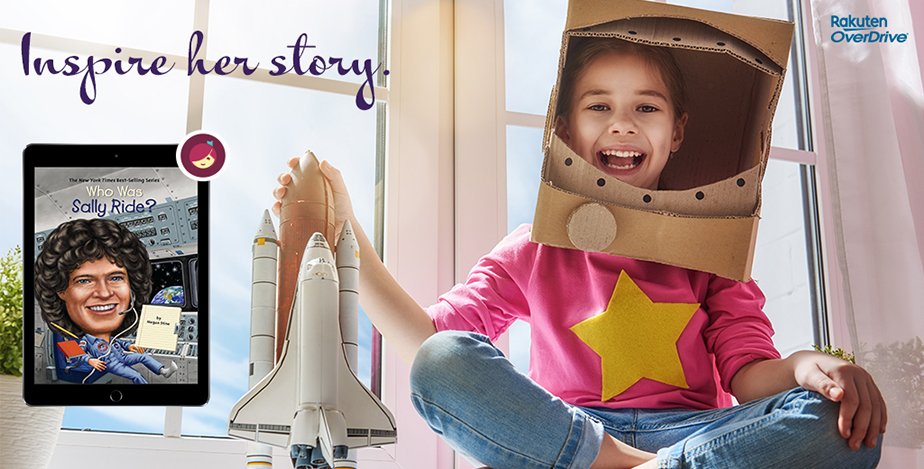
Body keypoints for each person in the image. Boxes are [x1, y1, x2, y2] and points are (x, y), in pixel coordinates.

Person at [272, 39, 885, 469]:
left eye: (646, 107)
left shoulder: (711, 251)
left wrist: (808, 366)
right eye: (600, 107)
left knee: (839, 427)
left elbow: (750, 375)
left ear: (676, 131)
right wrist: (348, 231)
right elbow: (427, 343)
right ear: (566, 131)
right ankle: (618, 465)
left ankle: (650, 467)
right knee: (442, 360)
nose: (622, 125)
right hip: (572, 436)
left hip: (695, 436)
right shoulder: (534, 245)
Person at [35, 218, 178, 384]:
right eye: (84, 280)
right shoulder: (74, 338)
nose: (104, 293)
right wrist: (90, 360)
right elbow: (76, 356)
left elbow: (113, 343)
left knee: (143, 357)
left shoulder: (106, 336)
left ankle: (163, 371)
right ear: (60, 291)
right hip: (110, 363)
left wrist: (128, 347)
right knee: (136, 376)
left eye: (115, 277)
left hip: (119, 356)